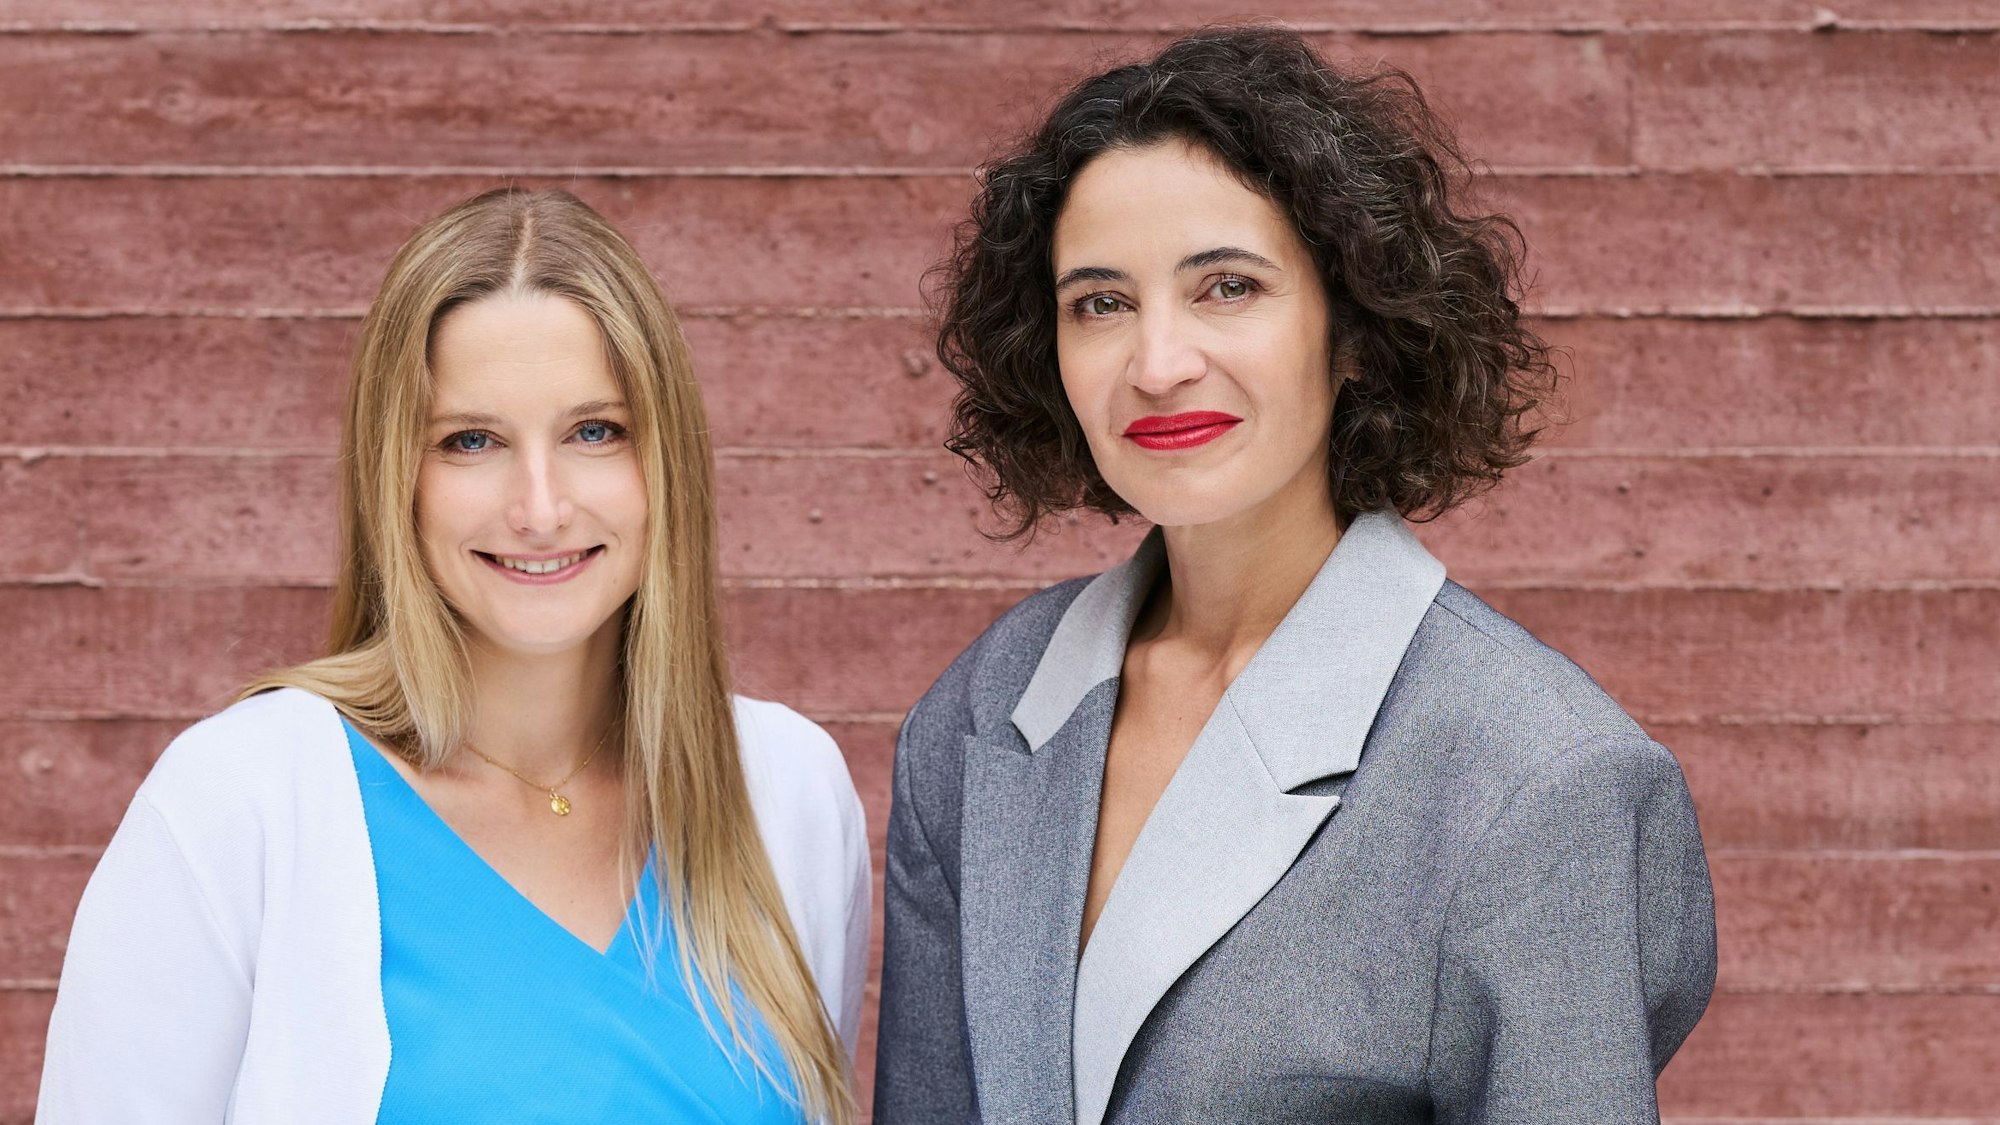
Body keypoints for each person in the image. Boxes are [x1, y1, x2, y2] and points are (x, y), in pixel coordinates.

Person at [874, 26, 1715, 1125]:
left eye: (1226, 287)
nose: (1158, 362)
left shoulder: (1535, 773)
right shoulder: (982, 714)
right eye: (1099, 302)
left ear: (1353, 330)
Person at [39, 187, 868, 1124]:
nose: (541, 506)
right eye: (471, 441)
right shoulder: (241, 799)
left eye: (595, 431)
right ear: (398, 477)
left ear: (665, 461)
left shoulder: (789, 790)